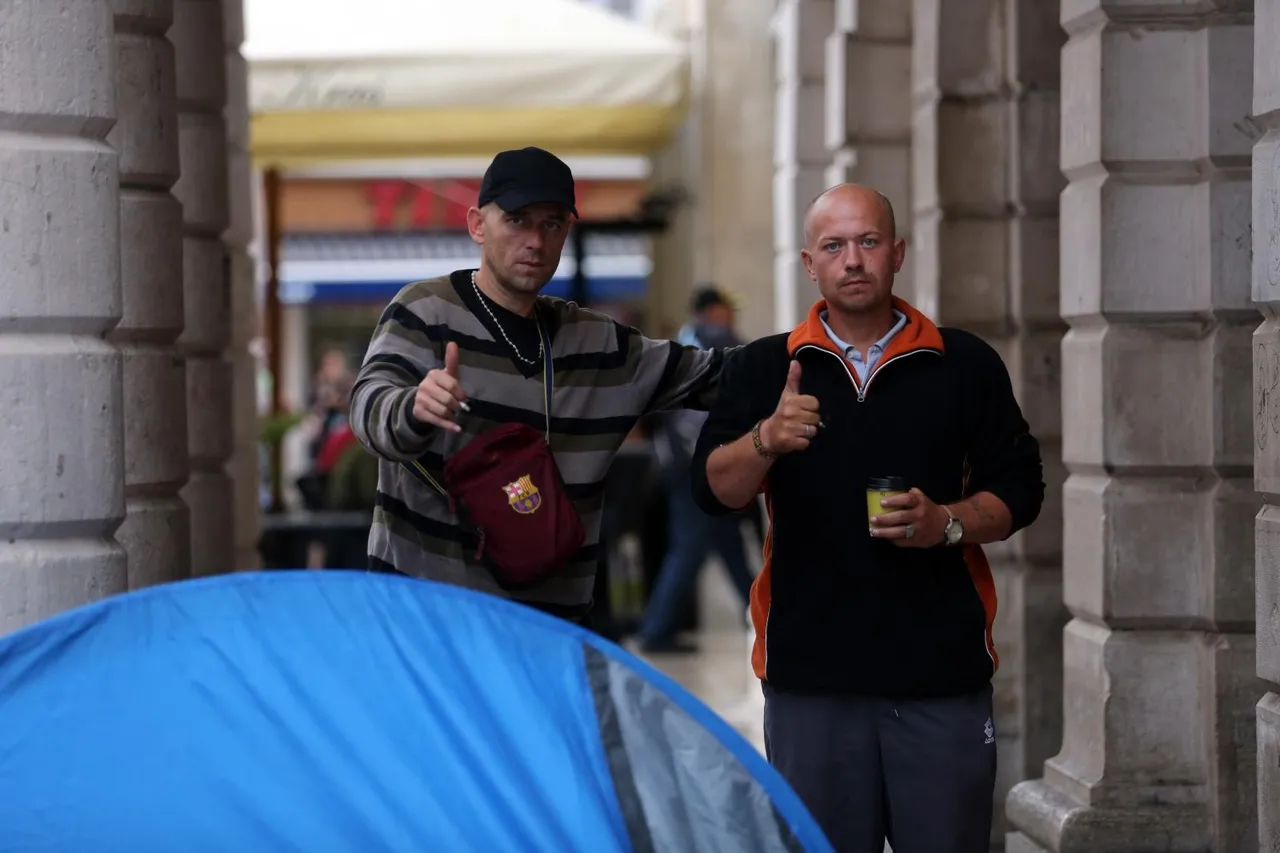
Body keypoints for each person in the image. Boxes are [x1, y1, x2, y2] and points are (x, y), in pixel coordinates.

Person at [689, 183, 1045, 853]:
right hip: (809, 679)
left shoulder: (962, 362)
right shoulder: (765, 366)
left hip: (942, 676)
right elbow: (712, 492)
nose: (852, 259)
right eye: (834, 245)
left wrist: (947, 521)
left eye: (868, 241)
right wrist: (766, 438)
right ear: (809, 263)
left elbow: (1022, 488)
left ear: (898, 253)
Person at [349, 146, 729, 625]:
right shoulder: (424, 312)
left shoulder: (599, 343)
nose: (534, 240)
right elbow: (368, 407)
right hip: (431, 632)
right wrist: (412, 406)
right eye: (517, 220)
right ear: (477, 225)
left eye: (551, 223)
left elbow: (719, 376)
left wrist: (828, 341)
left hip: (550, 635)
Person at [635, 286, 756, 653]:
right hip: (697, 467)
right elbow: (702, 415)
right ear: (712, 311)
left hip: (681, 464)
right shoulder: (711, 340)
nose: (731, 317)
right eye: (726, 310)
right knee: (689, 548)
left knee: (729, 545)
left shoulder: (684, 339)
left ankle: (766, 616)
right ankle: (656, 630)